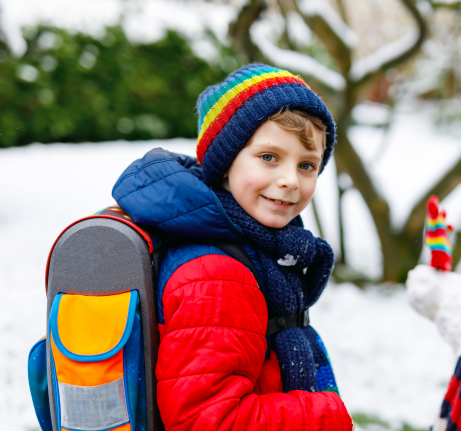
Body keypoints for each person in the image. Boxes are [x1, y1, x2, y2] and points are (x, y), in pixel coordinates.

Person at [112, 63, 353, 431]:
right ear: (225, 164)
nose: (290, 180)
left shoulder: (256, 246)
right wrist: (324, 415)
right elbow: (208, 420)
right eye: (269, 157)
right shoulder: (217, 276)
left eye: (307, 165)